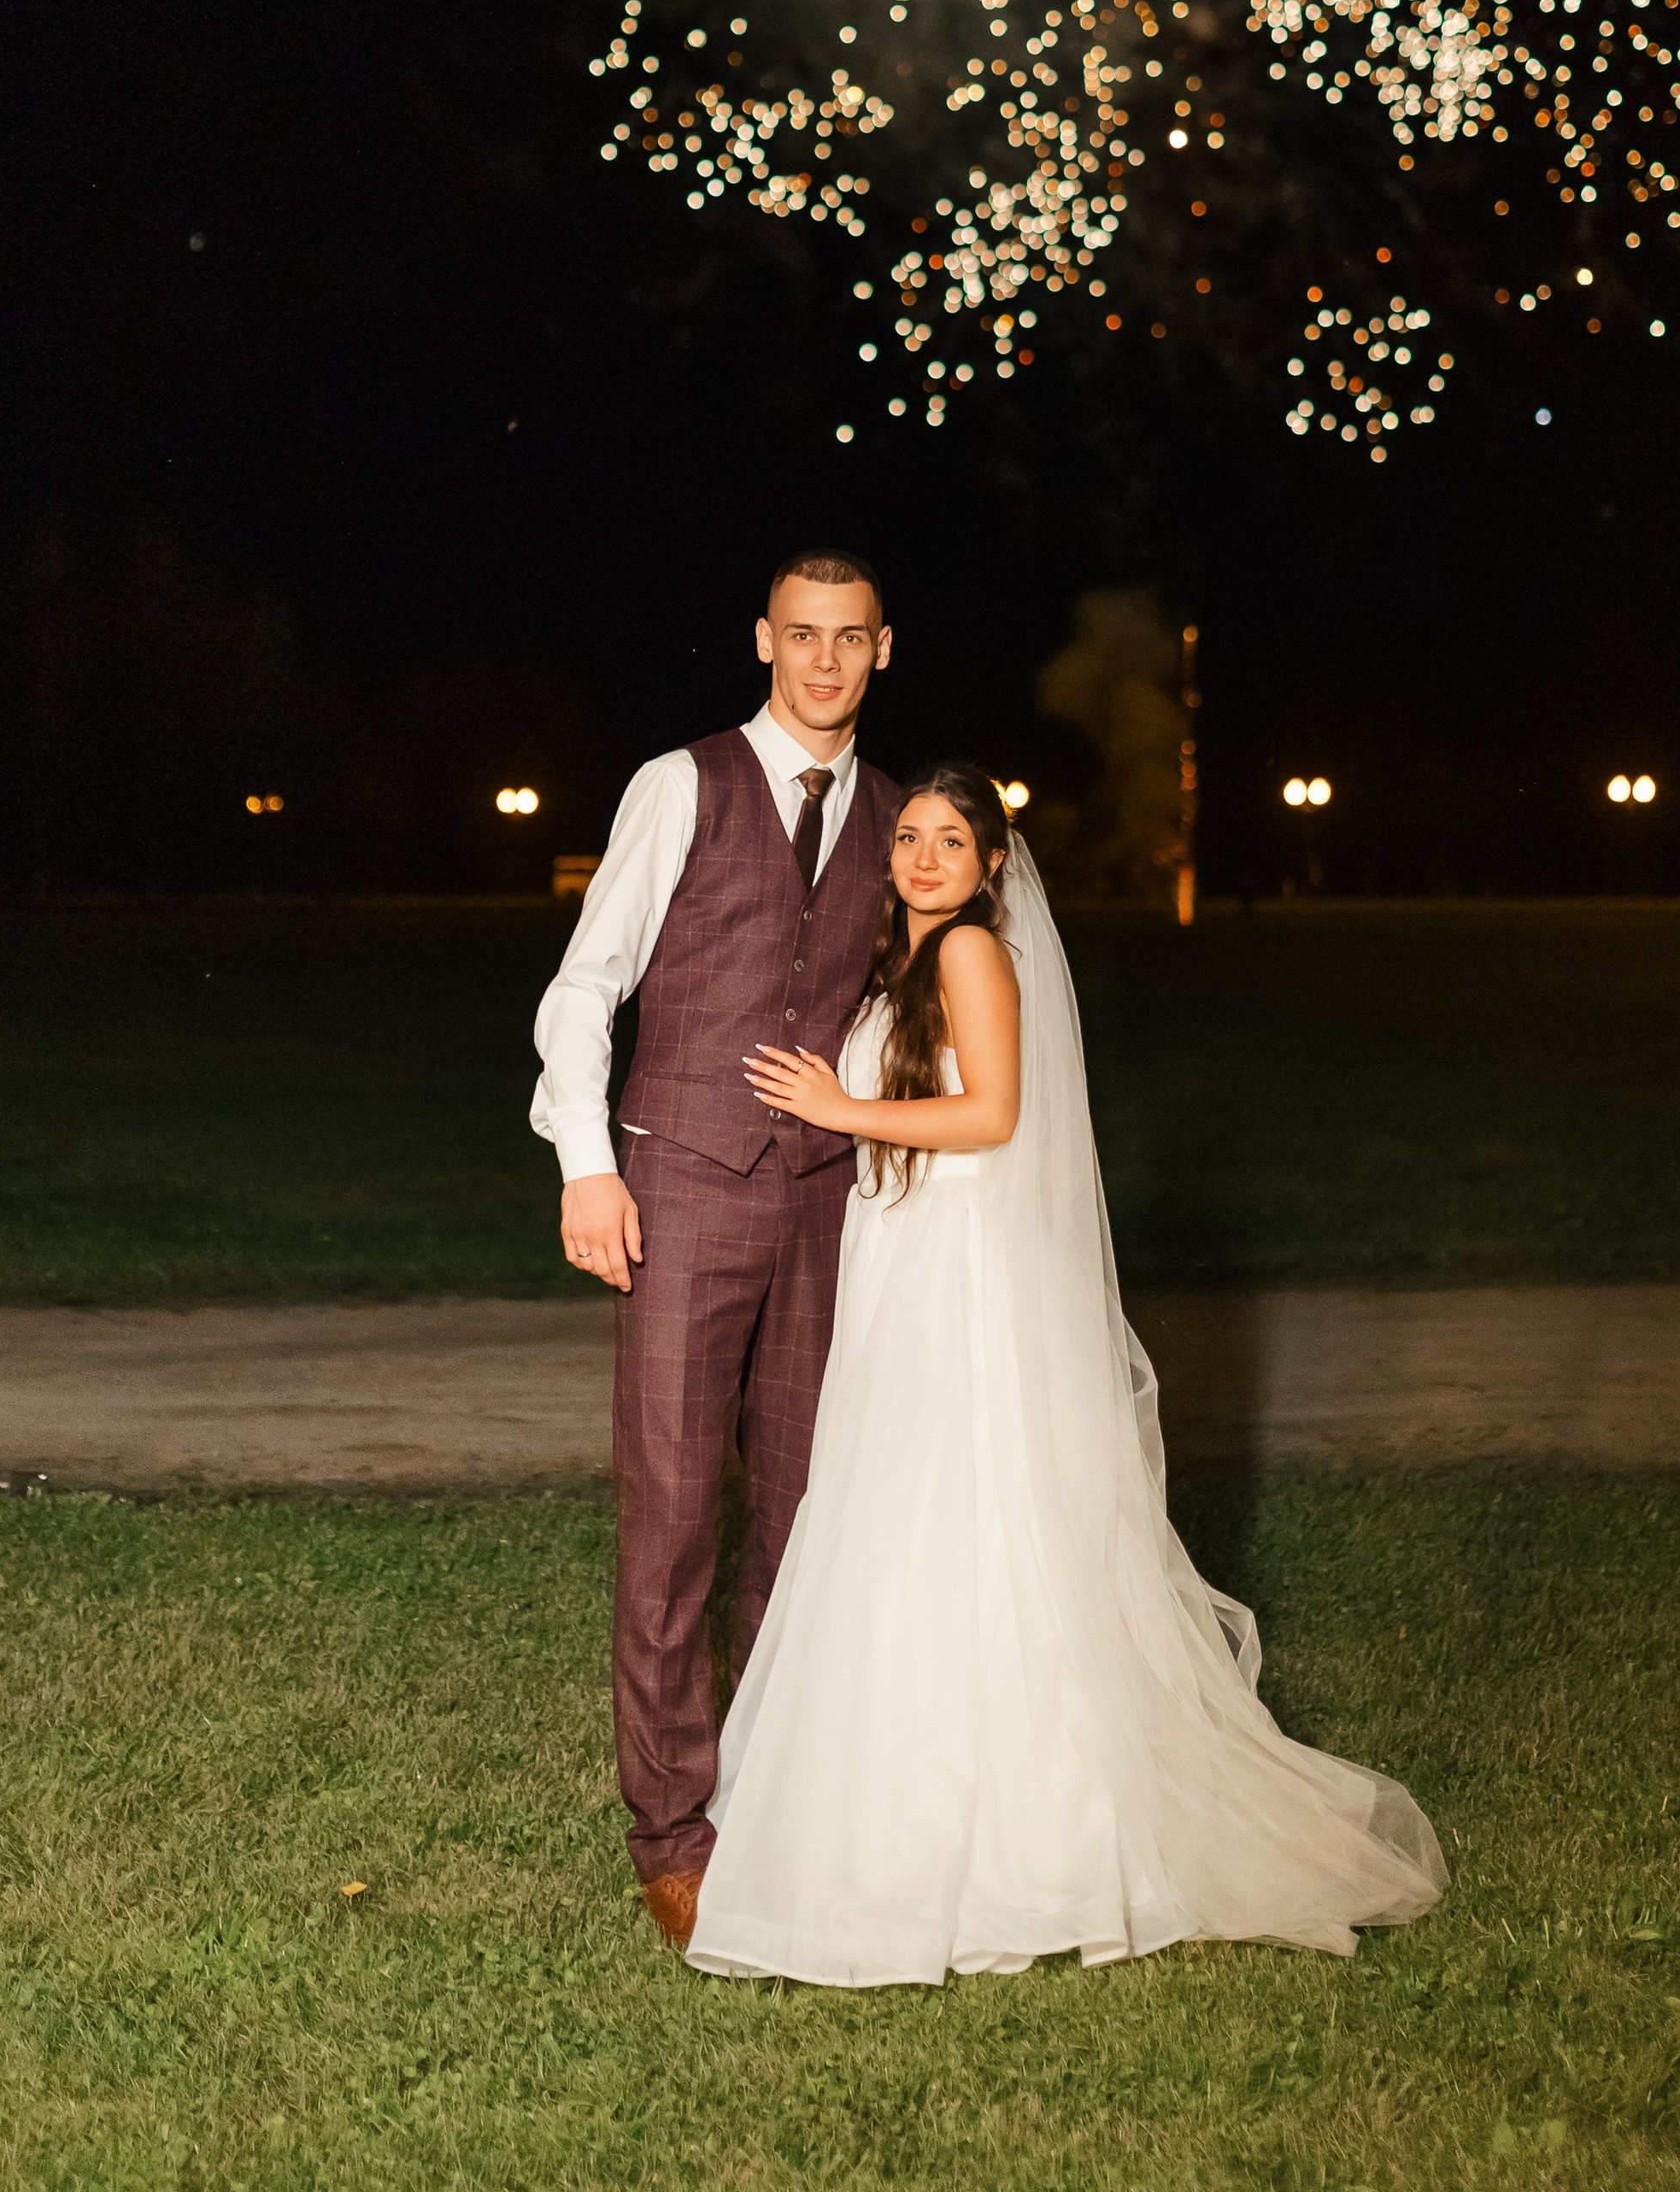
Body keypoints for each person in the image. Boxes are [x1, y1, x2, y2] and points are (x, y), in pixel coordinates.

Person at [687, 762, 1447, 1985]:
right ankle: (886, 1813)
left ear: (993, 864)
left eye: (954, 840)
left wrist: (842, 1109)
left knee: (964, 1513)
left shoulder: (973, 957)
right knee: (903, 1517)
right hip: (914, 1261)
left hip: (965, 1273)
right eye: (912, 838)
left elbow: (991, 1117)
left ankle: (1033, 1838)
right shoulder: (906, 962)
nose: (927, 857)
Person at [529, 552, 901, 1951]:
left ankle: (781, 1788)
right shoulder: (680, 784)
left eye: (848, 639)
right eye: (799, 636)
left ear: (882, 649)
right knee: (676, 1521)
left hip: (830, 1200)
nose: (822, 662)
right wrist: (587, 1162)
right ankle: (673, 1833)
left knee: (808, 1518)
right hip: (681, 1185)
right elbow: (587, 986)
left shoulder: (899, 815)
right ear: (762, 639)